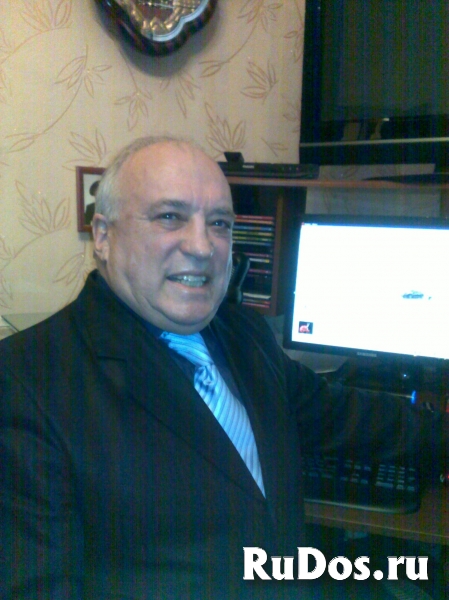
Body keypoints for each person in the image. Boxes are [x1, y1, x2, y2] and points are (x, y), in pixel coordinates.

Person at [0, 136, 447, 599]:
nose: (202, 246)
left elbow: (345, 416)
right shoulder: (26, 381)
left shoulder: (243, 333)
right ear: (103, 235)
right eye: (169, 216)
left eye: (219, 223)